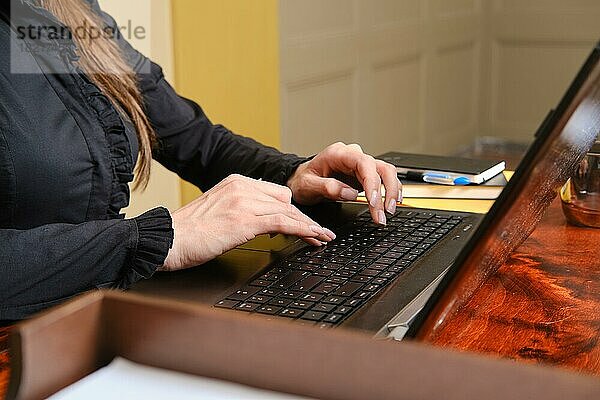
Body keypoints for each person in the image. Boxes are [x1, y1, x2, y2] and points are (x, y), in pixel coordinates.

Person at [0, 0, 400, 321]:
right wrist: (159, 238)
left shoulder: (69, 11)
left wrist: (292, 176)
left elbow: (194, 139)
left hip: (94, 315)